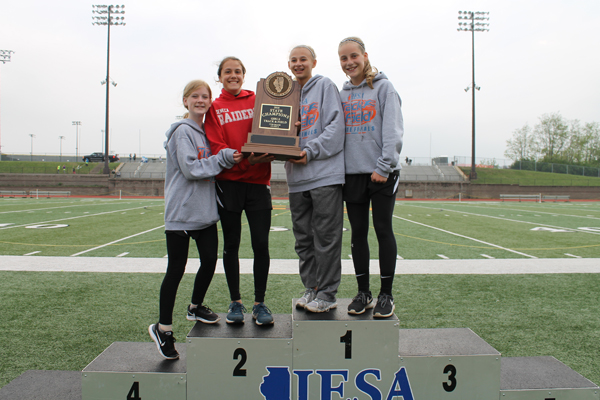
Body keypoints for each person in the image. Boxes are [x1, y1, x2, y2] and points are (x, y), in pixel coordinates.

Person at [149, 80, 242, 360]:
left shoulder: (206, 131)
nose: (201, 100)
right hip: (181, 211)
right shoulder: (181, 132)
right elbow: (191, 169)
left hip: (204, 211)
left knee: (210, 261)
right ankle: (163, 328)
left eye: (205, 96)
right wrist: (224, 159)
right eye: (195, 96)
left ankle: (195, 306)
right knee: (176, 269)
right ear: (185, 101)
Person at [204, 56, 275, 326]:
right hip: (229, 183)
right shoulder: (215, 107)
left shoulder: (258, 99)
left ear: (243, 75)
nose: (232, 75)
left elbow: (273, 128)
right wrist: (244, 157)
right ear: (220, 77)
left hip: (258, 183)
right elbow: (216, 145)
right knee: (231, 244)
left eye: (237, 71)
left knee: (261, 245)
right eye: (227, 72)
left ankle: (260, 303)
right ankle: (236, 301)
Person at [338, 37, 404, 318]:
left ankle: (386, 295)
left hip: (381, 172)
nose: (349, 62)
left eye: (353, 56)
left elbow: (393, 131)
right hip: (353, 173)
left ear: (365, 56)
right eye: (343, 58)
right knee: (358, 233)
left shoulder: (384, 88)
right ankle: (363, 292)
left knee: (382, 229)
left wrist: (384, 166)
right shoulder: (341, 94)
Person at [286, 45, 345, 313]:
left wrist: (310, 151)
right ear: (289, 64)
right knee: (303, 239)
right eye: (294, 60)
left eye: (303, 59)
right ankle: (312, 288)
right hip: (297, 179)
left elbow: (336, 127)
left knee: (327, 238)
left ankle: (328, 293)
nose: (298, 64)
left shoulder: (325, 87)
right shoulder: (285, 95)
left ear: (314, 62)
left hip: (323, 176)